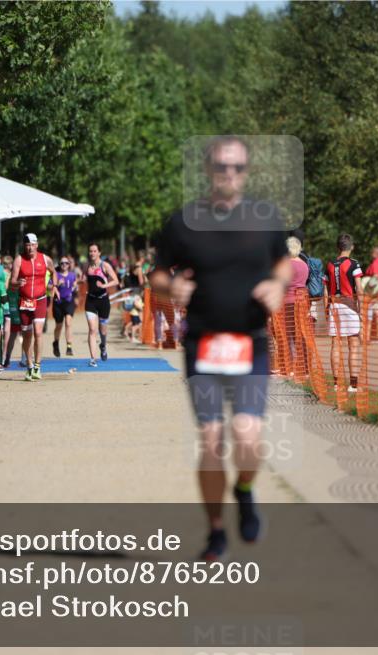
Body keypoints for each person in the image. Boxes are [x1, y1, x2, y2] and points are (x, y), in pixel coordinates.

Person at [150, 135, 291, 561]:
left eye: (238, 168)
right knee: (212, 440)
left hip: (250, 342)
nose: (229, 174)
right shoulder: (184, 222)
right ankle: (215, 531)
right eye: (222, 167)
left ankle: (244, 489)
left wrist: (277, 284)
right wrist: (170, 286)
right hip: (203, 344)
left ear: (246, 173)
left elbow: (281, 261)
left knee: (247, 437)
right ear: (209, 171)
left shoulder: (265, 219)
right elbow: (156, 274)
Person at [9, 233, 54, 381]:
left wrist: (53, 285)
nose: (29, 248)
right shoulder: (19, 259)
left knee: (39, 333)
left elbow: (54, 273)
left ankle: (37, 366)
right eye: (27, 245)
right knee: (26, 334)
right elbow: (11, 282)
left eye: (32, 245)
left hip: (40, 300)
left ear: (37, 245)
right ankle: (29, 365)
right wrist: (18, 283)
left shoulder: (45, 259)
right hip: (25, 301)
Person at [324, 233, 363, 392]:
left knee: (335, 344)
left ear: (337, 247)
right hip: (349, 305)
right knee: (353, 345)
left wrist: (327, 308)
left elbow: (325, 289)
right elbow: (359, 288)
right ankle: (353, 385)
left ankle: (335, 383)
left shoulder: (330, 265)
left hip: (334, 305)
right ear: (351, 247)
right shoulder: (354, 264)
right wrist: (361, 308)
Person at [84, 242, 120, 367]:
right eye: (90, 251)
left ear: (99, 253)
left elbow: (116, 280)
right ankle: (93, 359)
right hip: (91, 301)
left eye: (94, 251)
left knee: (102, 330)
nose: (92, 253)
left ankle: (103, 345)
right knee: (92, 329)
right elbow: (85, 279)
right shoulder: (87, 266)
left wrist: (104, 285)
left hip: (103, 301)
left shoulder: (105, 266)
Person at [280, 236, 309, 377]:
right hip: (302, 301)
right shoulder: (304, 264)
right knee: (303, 334)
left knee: (289, 335)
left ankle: (292, 367)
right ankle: (305, 367)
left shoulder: (286, 265)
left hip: (288, 301)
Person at [51, 255, 78, 357]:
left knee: (68, 322)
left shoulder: (72, 275)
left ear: (69, 265)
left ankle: (69, 347)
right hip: (58, 303)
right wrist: (57, 284)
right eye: (62, 263)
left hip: (68, 301)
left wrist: (76, 287)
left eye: (66, 263)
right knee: (59, 325)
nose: (64, 265)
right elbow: (49, 287)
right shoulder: (56, 275)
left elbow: (74, 285)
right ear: (59, 264)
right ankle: (56, 343)